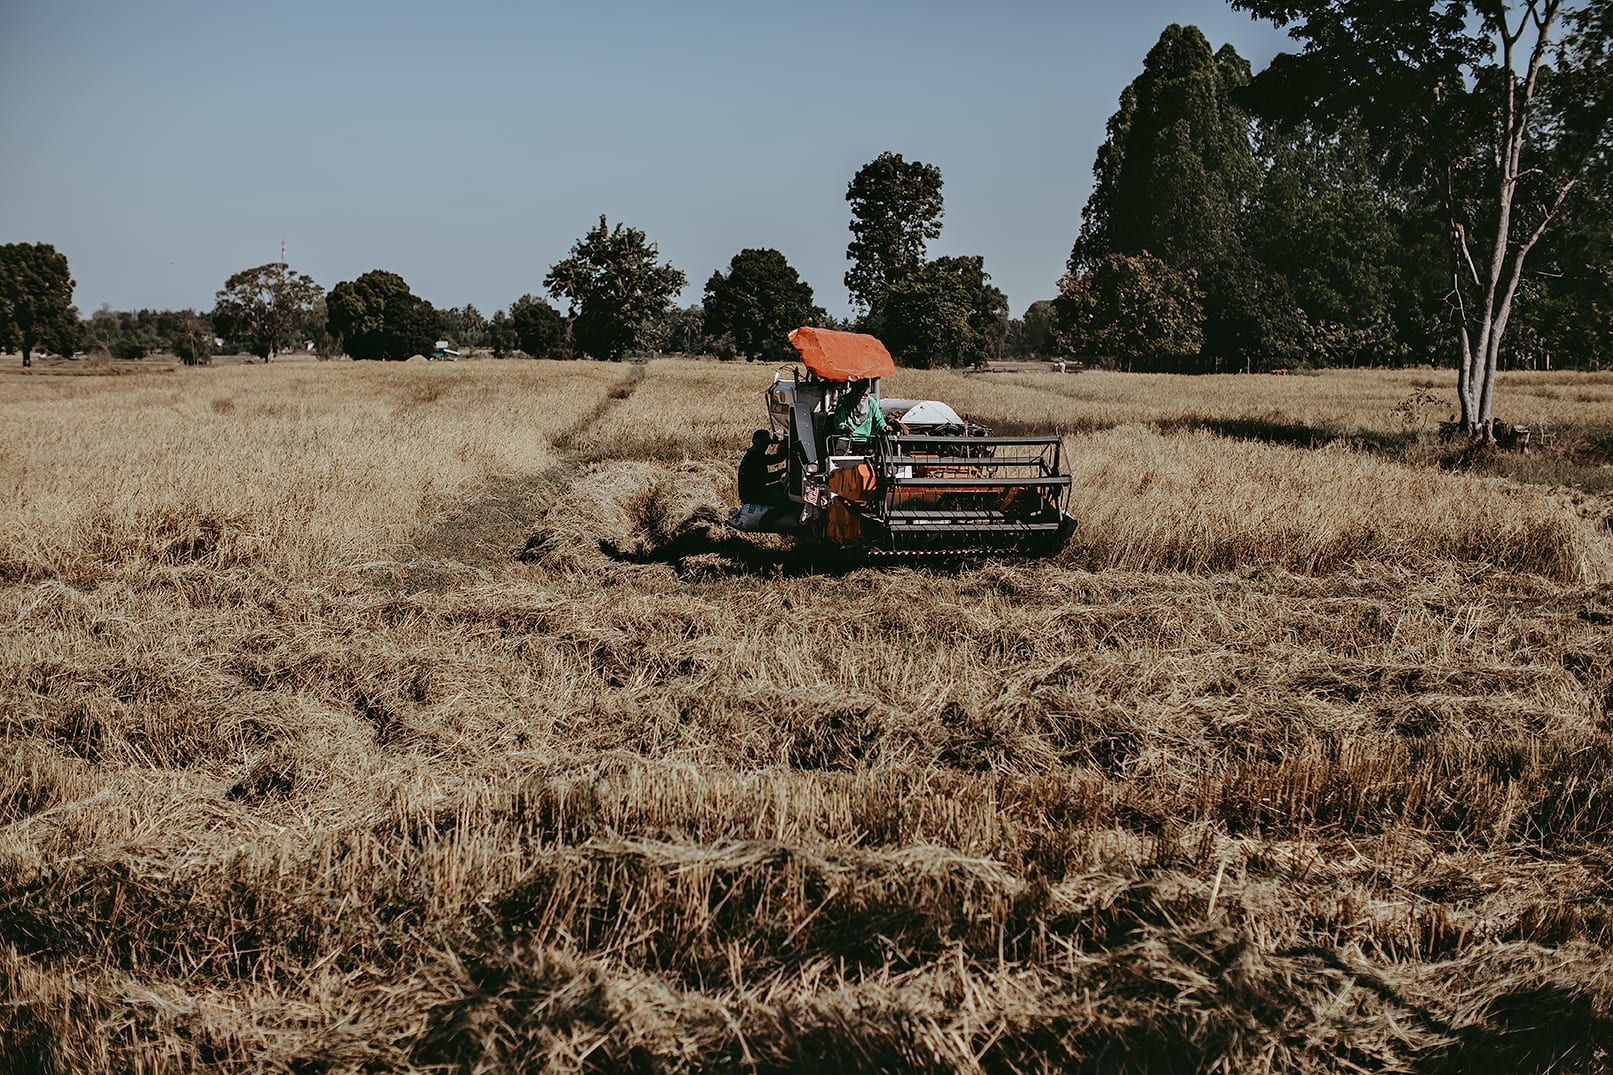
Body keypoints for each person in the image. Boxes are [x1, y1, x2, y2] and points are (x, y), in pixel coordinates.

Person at [738, 428, 786, 506]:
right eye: (762, 442)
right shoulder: (754, 456)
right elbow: (777, 459)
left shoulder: (752, 454)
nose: (765, 446)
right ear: (755, 441)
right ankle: (768, 518)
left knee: (780, 487)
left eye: (767, 443)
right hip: (753, 496)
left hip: (752, 493)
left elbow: (776, 459)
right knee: (784, 500)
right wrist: (783, 471)